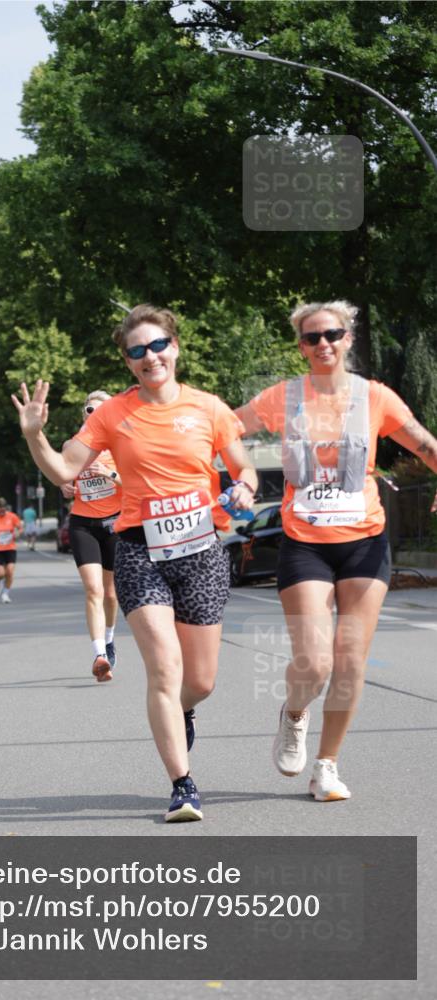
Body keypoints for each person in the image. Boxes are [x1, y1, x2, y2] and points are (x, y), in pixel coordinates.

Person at [12, 304, 257, 822]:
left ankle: (182, 710)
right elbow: (63, 467)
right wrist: (35, 435)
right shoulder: (111, 415)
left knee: (202, 681)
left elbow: (243, 468)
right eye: (136, 351)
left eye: (157, 346)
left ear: (175, 346)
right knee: (164, 669)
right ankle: (182, 786)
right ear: (127, 362)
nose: (150, 358)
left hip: (201, 552)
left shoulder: (209, 408)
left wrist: (247, 490)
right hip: (139, 550)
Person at [236, 300, 437, 802]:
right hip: (306, 543)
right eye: (311, 338)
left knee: (349, 662)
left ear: (348, 338)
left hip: (365, 542)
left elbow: (424, 446)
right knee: (315, 662)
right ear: (301, 346)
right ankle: (295, 713)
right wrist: (237, 473)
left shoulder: (376, 397)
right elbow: (222, 429)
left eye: (332, 334)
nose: (323, 344)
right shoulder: (283, 398)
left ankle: (327, 765)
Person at [61, 390, 122, 682]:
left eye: (101, 409)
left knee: (110, 594)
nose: (94, 414)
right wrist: (63, 485)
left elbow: (136, 484)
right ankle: (98, 654)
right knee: (93, 590)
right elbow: (62, 474)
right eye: (89, 409)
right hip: (82, 522)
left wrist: (109, 474)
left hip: (114, 523)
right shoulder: (73, 445)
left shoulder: (121, 445)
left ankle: (109, 640)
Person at [0, 498, 23, 603]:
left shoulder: (12, 516)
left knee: (10, 571)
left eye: (3, 510)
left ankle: (5, 593)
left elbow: (20, 527)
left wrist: (18, 533)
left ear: (6, 508)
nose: (1, 512)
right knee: (0, 573)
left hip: (10, 547)